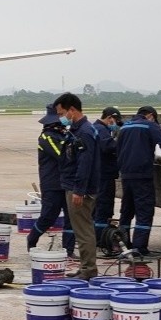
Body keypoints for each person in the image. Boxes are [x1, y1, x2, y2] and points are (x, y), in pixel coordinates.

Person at [54, 92, 101, 280]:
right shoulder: (77, 130)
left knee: (83, 230)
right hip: (74, 185)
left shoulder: (85, 132)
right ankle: (85, 267)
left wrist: (79, 190)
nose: (61, 117)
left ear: (72, 110)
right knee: (81, 228)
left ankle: (89, 269)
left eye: (62, 113)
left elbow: (85, 163)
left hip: (79, 188)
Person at [116, 105, 161, 256]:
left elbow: (117, 148)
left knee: (126, 210)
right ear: (150, 115)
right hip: (142, 174)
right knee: (144, 211)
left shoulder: (125, 127)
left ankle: (123, 245)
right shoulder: (149, 125)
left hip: (126, 174)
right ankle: (139, 248)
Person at [26, 104, 74, 259]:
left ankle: (69, 248)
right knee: (49, 215)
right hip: (52, 183)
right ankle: (32, 239)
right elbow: (61, 154)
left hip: (66, 182)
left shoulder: (66, 135)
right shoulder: (46, 137)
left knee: (70, 216)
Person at [92, 107, 122, 250]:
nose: (115, 123)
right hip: (104, 175)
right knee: (104, 208)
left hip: (98, 174)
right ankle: (100, 239)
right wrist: (121, 142)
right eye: (115, 120)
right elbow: (108, 147)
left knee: (96, 208)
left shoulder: (95, 127)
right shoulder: (101, 129)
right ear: (110, 117)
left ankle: (94, 236)